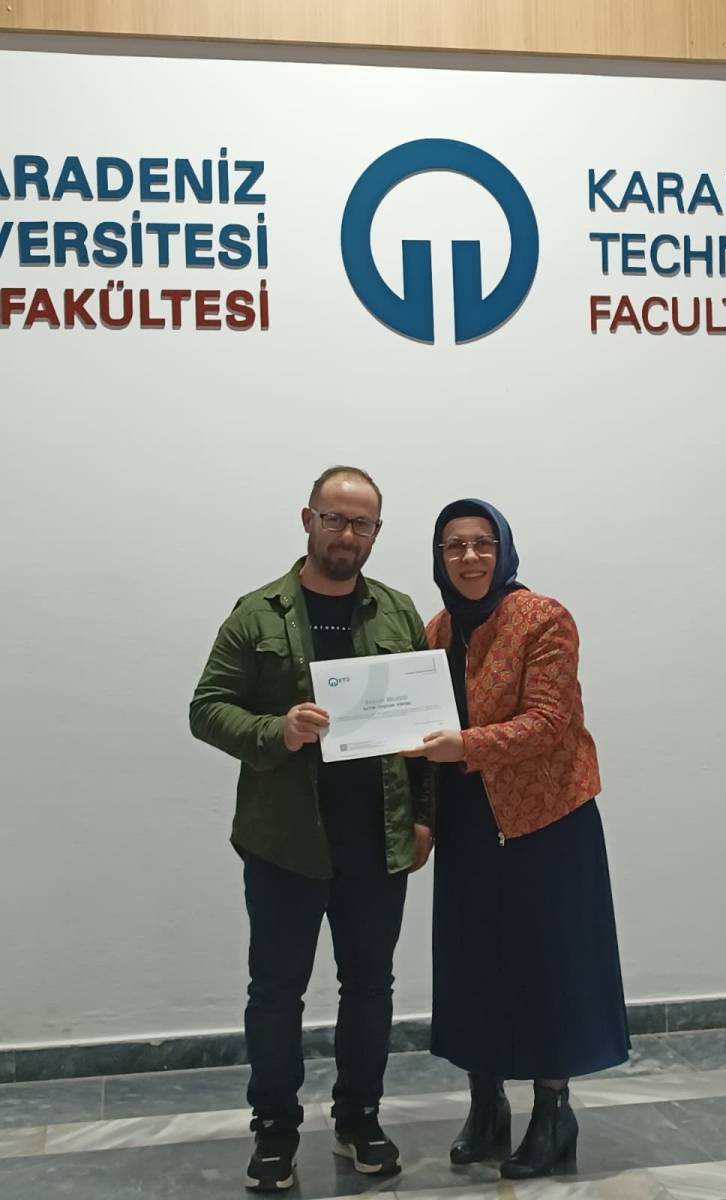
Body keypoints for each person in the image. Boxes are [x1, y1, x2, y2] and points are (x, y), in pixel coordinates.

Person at [189, 466, 434, 1192]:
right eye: (335, 519)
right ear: (308, 520)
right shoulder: (257, 613)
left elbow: (426, 726)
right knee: (275, 993)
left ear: (376, 532)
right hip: (285, 842)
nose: (347, 534)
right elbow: (207, 708)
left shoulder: (398, 612)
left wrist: (425, 816)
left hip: (377, 839)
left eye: (362, 523)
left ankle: (359, 1119)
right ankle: (274, 1131)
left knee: (370, 987)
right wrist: (278, 729)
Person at [403, 498, 630, 1180]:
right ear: (440, 558)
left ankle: (553, 1116)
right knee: (472, 962)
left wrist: (465, 745)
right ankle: (487, 1109)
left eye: (482, 543)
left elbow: (551, 721)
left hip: (545, 821)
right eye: (454, 546)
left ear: (503, 549)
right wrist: (420, 812)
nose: (469, 557)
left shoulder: (542, 617)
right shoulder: (436, 630)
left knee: (547, 964)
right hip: (469, 821)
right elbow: (417, 732)